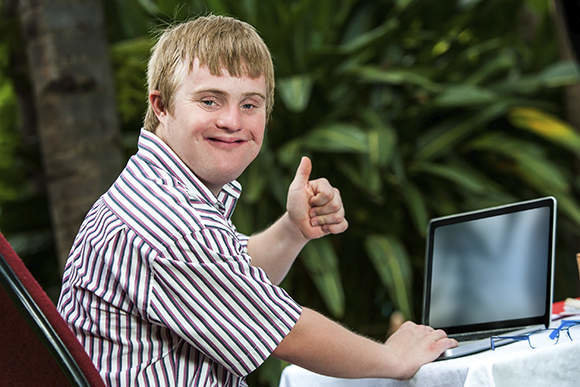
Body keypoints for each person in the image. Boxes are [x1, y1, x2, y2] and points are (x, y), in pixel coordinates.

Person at [57, 14, 457, 387]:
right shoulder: (167, 220)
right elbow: (289, 333)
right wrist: (392, 358)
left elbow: (228, 274)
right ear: (161, 106)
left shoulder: (157, 189)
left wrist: (292, 229)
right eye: (209, 101)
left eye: (250, 104)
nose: (232, 121)